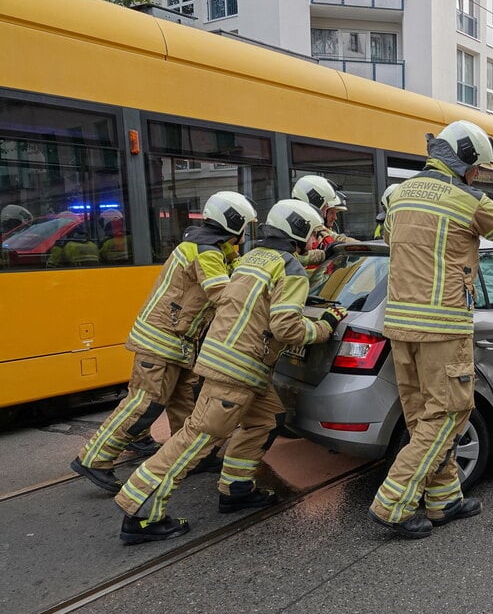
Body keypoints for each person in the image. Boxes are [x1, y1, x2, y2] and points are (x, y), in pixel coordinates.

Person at [368, 119, 493, 539]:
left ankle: (443, 499)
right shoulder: (468, 200)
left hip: (400, 325)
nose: (478, 176)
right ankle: (393, 502)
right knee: (449, 416)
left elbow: (393, 241)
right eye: (478, 168)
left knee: (424, 415)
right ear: (465, 160)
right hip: (442, 326)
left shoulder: (400, 196)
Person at [114, 199, 348, 544]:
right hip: (238, 368)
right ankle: (140, 510)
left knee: (265, 419)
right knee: (198, 438)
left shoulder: (253, 257)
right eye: (314, 235)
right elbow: (287, 328)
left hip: (227, 360)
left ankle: (236, 489)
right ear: (299, 232)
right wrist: (325, 326)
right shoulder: (290, 271)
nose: (315, 242)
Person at [71, 192, 256, 493]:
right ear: (233, 224)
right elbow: (222, 295)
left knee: (187, 404)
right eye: (245, 226)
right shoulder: (206, 251)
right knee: (144, 403)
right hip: (162, 342)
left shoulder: (207, 246)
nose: (246, 234)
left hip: (177, 343)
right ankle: (94, 458)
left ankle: (194, 457)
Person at [291, 175, 357, 249]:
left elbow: (337, 238)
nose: (325, 212)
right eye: (324, 205)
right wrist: (324, 254)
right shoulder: (295, 228)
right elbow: (296, 256)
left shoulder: (312, 227)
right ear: (314, 202)